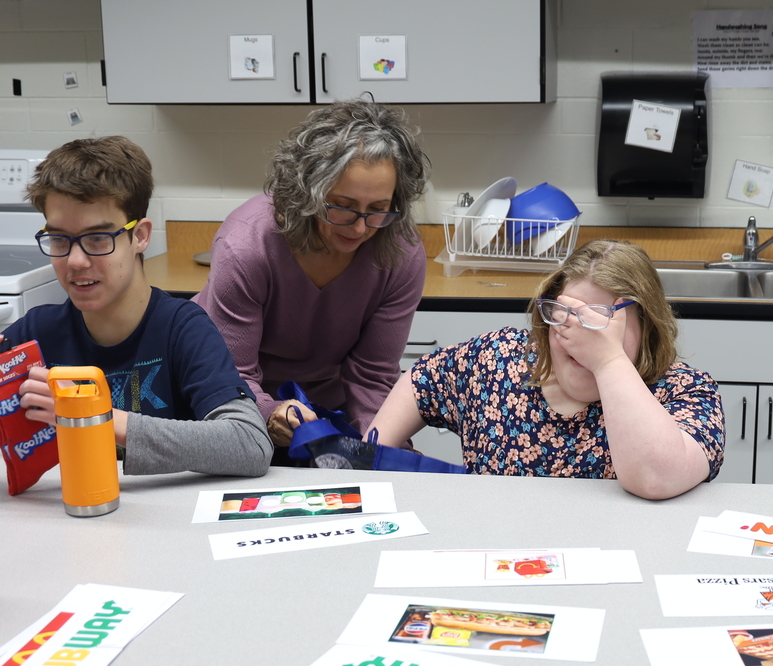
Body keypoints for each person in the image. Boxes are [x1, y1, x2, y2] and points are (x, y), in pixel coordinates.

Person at [367, 239, 725, 500]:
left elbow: (655, 479)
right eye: (566, 314)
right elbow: (423, 379)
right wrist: (371, 458)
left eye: (600, 319)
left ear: (647, 326)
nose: (579, 335)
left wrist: (609, 361)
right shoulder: (499, 360)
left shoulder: (684, 391)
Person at [3, 136, 272, 477]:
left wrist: (93, 413)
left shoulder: (182, 328)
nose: (75, 261)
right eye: (59, 239)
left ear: (141, 236)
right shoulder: (34, 334)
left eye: (98, 239)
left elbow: (249, 444)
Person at [193, 99, 429, 460]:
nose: (361, 227)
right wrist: (271, 412)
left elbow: (372, 377)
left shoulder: (399, 253)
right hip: (234, 400)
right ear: (307, 191)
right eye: (342, 206)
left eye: (378, 209)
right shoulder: (247, 246)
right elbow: (233, 375)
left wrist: (382, 449)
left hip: (323, 405)